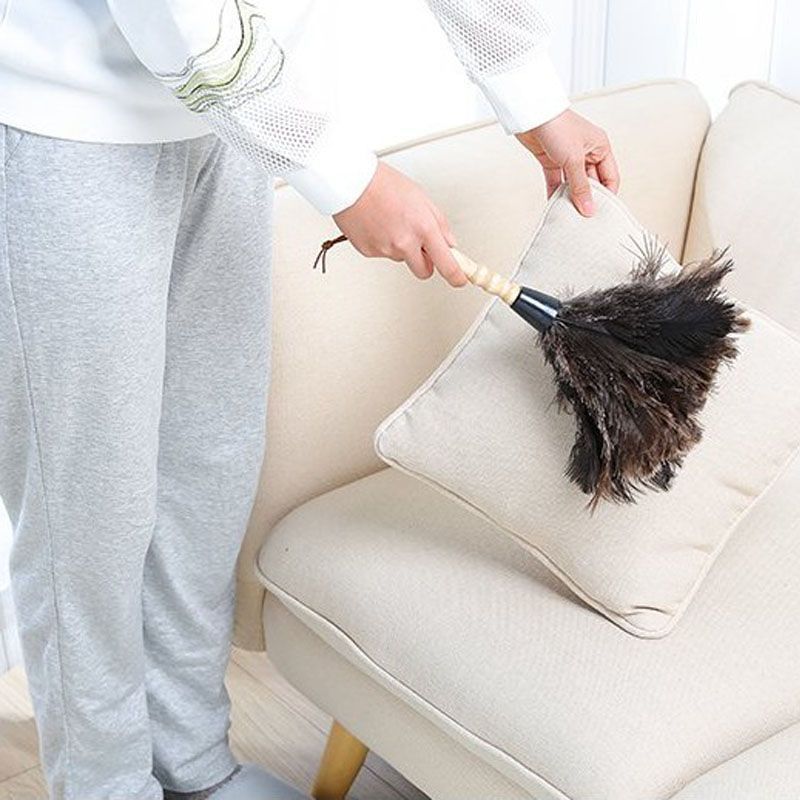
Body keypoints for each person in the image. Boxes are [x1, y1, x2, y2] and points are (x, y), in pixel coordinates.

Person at [0, 1, 619, 798]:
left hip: (223, 124)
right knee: (89, 508)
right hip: (64, 124)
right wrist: (345, 176)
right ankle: (104, 784)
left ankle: (194, 765)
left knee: (208, 465)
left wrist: (534, 97)